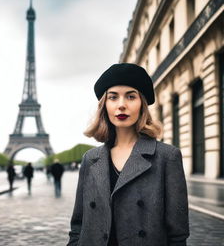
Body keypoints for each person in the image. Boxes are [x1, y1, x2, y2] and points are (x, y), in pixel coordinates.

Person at [67, 63, 189, 246]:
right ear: (104, 105)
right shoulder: (90, 159)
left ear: (142, 104)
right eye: (113, 97)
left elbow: (178, 235)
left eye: (131, 97)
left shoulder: (167, 157)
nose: (121, 105)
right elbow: (78, 225)